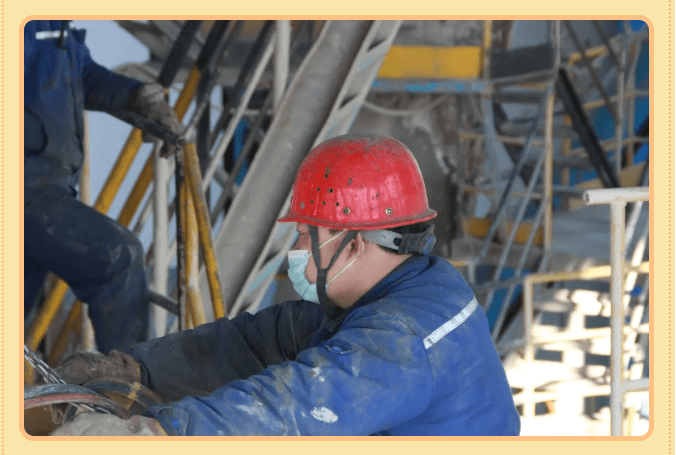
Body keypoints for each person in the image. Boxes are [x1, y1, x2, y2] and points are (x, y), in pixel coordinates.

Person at [51, 135, 521, 436]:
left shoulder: (399, 341)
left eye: (304, 233)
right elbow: (251, 342)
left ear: (353, 244)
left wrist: (155, 434)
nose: (295, 247)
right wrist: (137, 369)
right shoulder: (399, 289)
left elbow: (289, 409)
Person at [24, 20, 181, 354]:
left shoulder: (53, 22)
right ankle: (133, 380)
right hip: (24, 189)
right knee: (117, 259)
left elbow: (81, 74)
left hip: (49, 187)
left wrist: (139, 97)